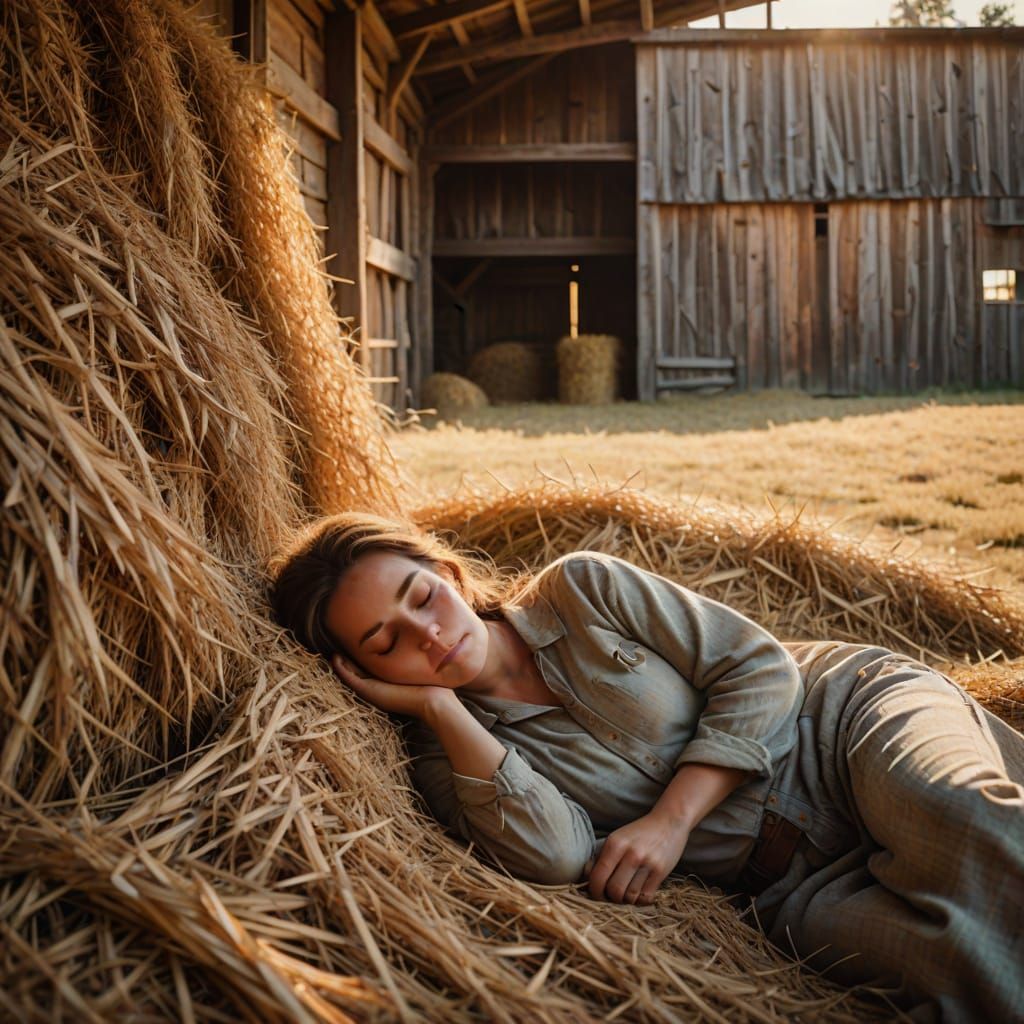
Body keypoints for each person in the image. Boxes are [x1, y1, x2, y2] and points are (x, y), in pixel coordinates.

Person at [270, 511, 1024, 1022]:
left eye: (423, 597)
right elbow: (559, 854)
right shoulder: (448, 761)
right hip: (793, 882)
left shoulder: (581, 587)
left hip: (839, 723)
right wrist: (439, 710)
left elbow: (760, 670)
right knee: (949, 961)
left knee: (955, 814)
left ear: (451, 574)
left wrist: (671, 821)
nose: (427, 636)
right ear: (364, 673)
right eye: (387, 642)